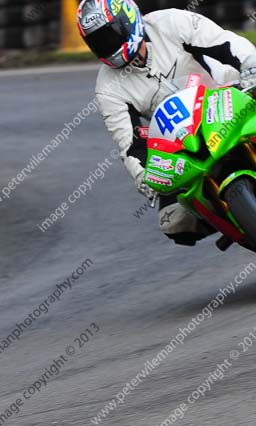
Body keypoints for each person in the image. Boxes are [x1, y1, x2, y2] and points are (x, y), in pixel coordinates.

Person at [77, 0, 256, 245]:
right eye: (98, 42)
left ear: (127, 20)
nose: (107, 45)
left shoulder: (172, 22)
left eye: (109, 35)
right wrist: (144, 177)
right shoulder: (108, 89)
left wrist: (250, 65)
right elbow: (129, 144)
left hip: (230, 100)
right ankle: (233, 221)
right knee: (174, 221)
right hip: (183, 144)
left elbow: (225, 43)